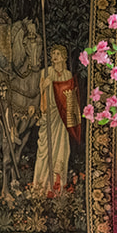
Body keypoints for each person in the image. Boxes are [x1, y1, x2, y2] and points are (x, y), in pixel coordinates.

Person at [30, 45, 81, 198]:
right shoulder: (45, 73)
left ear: (64, 57)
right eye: (53, 53)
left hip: (62, 118)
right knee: (45, 151)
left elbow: (70, 97)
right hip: (49, 117)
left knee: (61, 151)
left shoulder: (67, 74)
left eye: (58, 53)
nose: (55, 56)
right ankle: (41, 187)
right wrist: (43, 86)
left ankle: (57, 187)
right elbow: (39, 96)